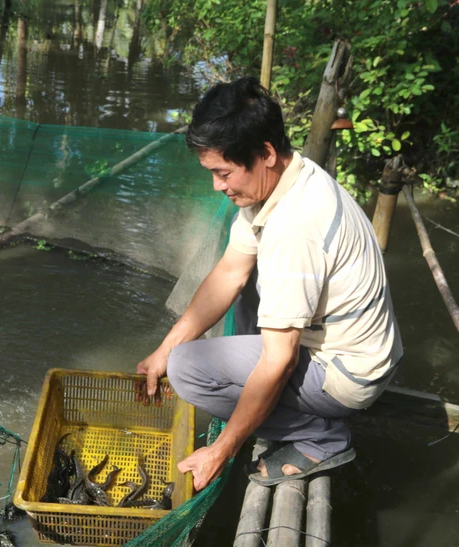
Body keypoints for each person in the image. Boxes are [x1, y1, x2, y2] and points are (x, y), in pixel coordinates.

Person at [136, 77, 403, 491]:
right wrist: (162, 349)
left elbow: (279, 360)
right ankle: (268, 402)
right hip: (353, 348)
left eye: (223, 173)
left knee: (188, 370)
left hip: (347, 373)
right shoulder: (284, 181)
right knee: (239, 285)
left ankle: (322, 436)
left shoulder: (295, 226)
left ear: (265, 153)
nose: (217, 186)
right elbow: (230, 272)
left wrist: (221, 448)